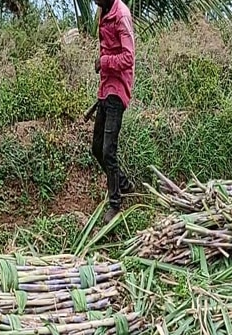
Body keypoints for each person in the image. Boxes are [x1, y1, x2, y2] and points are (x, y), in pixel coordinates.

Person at [92, 0, 136, 224]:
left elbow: (129, 57)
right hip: (105, 88)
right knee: (97, 148)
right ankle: (124, 184)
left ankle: (115, 204)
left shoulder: (121, 16)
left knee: (108, 149)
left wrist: (104, 61)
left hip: (117, 90)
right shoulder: (105, 10)